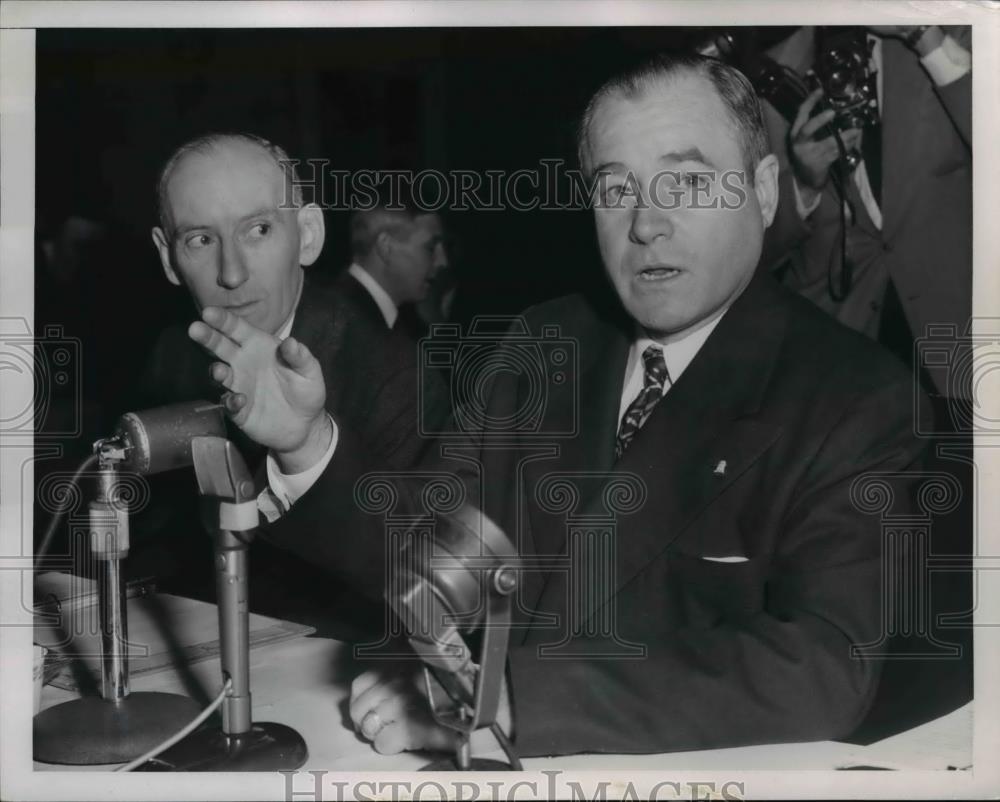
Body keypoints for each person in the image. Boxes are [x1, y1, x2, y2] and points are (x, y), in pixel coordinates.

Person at [188, 55, 926, 756]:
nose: (645, 224)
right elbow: (424, 546)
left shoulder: (854, 394)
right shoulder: (543, 343)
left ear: (764, 192)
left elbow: (825, 667)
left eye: (687, 185)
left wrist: (502, 700)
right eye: (615, 189)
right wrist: (306, 442)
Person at [137, 132, 449, 634]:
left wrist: (305, 446)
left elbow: (421, 582)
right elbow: (154, 539)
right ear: (168, 258)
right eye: (200, 240)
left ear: (307, 235)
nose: (232, 273)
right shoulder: (173, 356)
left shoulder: (398, 376)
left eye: (258, 230)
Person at [760, 25, 971, 414]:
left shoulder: (951, 30)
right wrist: (803, 186)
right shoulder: (767, 73)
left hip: (958, 336)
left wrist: (923, 34)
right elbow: (747, 250)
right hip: (841, 358)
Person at [345, 204, 449, 332]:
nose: (443, 262)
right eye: (430, 248)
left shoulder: (352, 313)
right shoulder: (340, 319)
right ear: (386, 247)